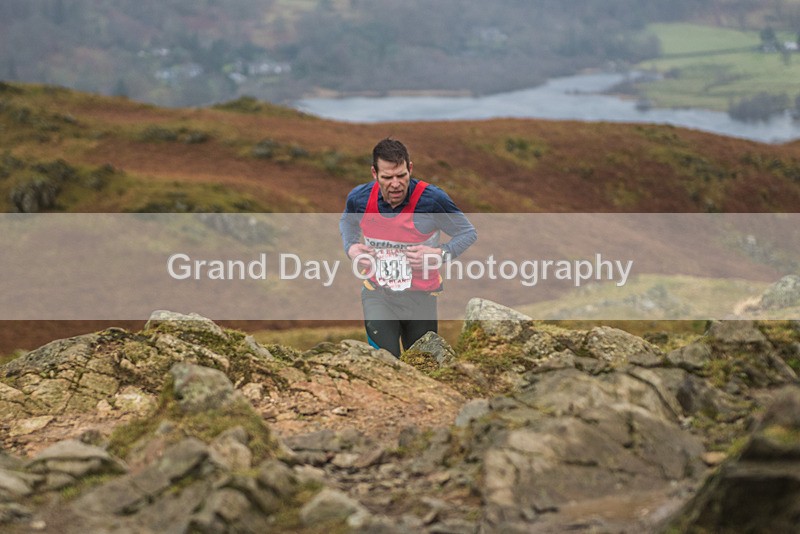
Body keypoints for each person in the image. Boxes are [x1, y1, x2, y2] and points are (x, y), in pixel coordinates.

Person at [339, 138, 477, 356]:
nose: (396, 184)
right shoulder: (360, 198)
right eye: (387, 177)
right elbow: (347, 221)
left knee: (425, 367)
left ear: (410, 169)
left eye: (401, 175)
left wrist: (440, 254)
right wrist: (351, 247)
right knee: (385, 363)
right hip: (378, 294)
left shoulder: (432, 200)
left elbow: (468, 233)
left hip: (421, 298)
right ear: (374, 173)